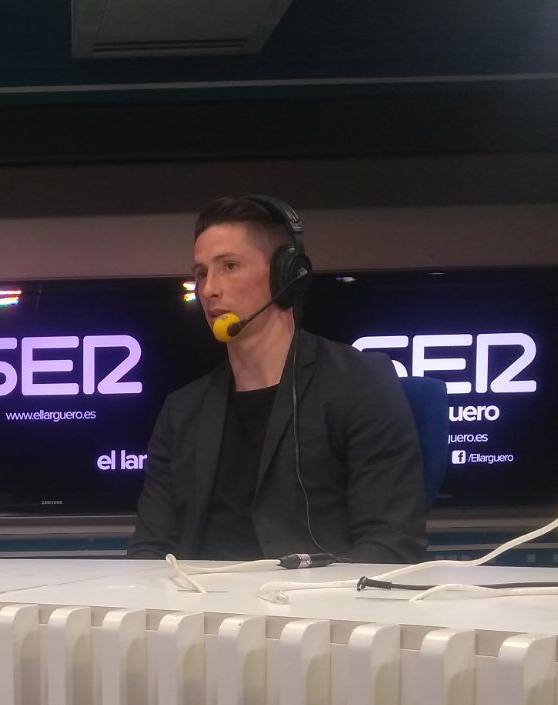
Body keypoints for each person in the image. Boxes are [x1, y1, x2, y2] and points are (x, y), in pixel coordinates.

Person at [129, 195, 426, 563]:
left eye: (229, 266)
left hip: (316, 597)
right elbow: (149, 551)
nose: (208, 289)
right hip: (200, 598)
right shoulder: (182, 411)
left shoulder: (360, 382)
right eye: (201, 273)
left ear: (287, 276)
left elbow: (391, 543)